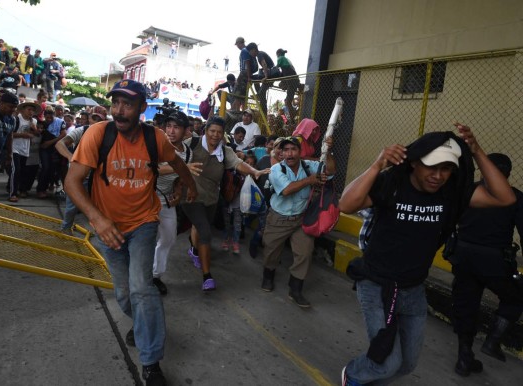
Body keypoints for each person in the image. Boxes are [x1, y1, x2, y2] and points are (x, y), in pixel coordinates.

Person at [338, 125, 516, 386]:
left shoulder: (451, 195)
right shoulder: (392, 184)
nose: (438, 175)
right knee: (387, 362)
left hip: (413, 290)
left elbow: (505, 197)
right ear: (413, 164)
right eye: (431, 167)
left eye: (446, 168)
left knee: (407, 364)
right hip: (377, 284)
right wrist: (378, 164)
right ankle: (353, 374)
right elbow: (346, 204)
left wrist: (476, 151)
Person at [65, 79, 197, 386]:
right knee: (125, 293)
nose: (119, 111)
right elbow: (72, 182)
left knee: (141, 288)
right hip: (107, 226)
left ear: (141, 108)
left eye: (127, 104)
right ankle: (143, 324)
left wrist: (187, 185)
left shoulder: (155, 138)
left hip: (143, 222)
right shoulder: (98, 134)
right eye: (115, 103)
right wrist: (97, 219)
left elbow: (177, 162)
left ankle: (150, 362)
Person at [449, 153, 523, 376]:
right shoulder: (515, 197)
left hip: (463, 258)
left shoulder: (467, 191)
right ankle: (493, 341)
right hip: (494, 263)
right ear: (508, 175)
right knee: (516, 296)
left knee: (466, 306)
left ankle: (464, 358)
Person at [183, 116, 269, 291]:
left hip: (211, 198)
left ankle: (194, 248)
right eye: (212, 131)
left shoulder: (225, 151)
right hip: (190, 195)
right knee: (205, 232)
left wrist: (255, 172)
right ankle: (207, 277)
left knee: (199, 225)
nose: (215, 135)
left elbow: (238, 164)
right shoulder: (191, 143)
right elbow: (175, 158)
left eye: (219, 132)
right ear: (205, 131)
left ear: (223, 135)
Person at [260, 136, 335, 308]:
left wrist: (328, 151)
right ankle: (268, 276)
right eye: (285, 150)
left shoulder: (310, 167)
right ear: (281, 153)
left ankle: (295, 290)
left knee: (304, 253)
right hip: (278, 218)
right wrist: (311, 180)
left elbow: (330, 171)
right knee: (271, 251)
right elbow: (286, 190)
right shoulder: (276, 170)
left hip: (301, 218)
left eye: (293, 149)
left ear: (300, 152)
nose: (289, 153)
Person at [152, 111, 202, 295]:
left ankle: (155, 276)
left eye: (176, 127)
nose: (171, 131)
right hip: (147, 198)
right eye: (169, 126)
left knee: (168, 237)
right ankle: (140, 275)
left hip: (166, 200)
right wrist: (183, 167)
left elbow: (180, 178)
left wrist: (179, 189)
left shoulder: (187, 153)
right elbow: (155, 170)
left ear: (186, 131)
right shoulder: (158, 146)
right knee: (144, 239)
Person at [8, 102, 40, 202]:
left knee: (21, 171)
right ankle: (12, 193)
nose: (31, 112)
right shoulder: (17, 119)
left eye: (32, 110)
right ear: (23, 110)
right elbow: (10, 134)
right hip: (15, 148)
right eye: (29, 109)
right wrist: (23, 135)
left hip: (25, 149)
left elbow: (37, 134)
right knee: (16, 170)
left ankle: (15, 188)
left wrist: (35, 130)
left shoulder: (34, 121)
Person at [276, 49, 300, 123]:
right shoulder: (287, 61)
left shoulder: (280, 58)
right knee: (288, 101)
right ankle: (293, 116)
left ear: (278, 54)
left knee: (288, 102)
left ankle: (293, 118)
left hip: (292, 81)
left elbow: (276, 68)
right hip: (294, 80)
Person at [233, 37, 257, 111]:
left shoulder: (244, 50)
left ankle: (237, 111)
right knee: (244, 95)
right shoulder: (249, 50)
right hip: (249, 73)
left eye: (237, 44)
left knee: (237, 94)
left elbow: (247, 63)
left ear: (240, 43)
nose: (237, 46)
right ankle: (243, 110)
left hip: (245, 73)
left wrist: (248, 76)